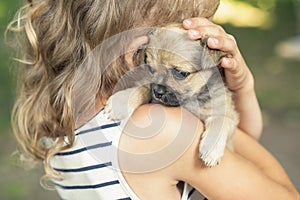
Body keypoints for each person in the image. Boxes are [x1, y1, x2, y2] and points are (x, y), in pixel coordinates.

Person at [8, 0, 299, 199]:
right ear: (137, 47)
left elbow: (235, 146)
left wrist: (241, 88)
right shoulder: (163, 126)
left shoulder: (58, 125)